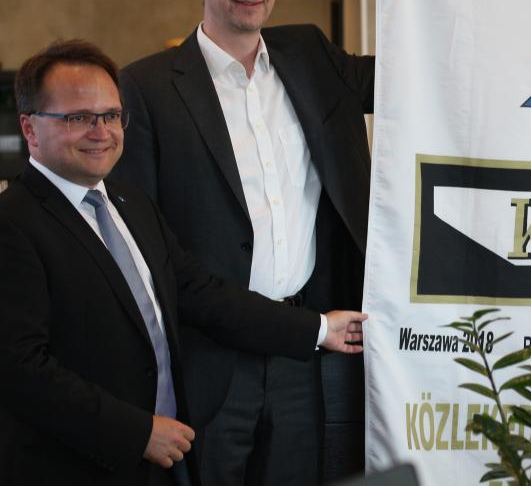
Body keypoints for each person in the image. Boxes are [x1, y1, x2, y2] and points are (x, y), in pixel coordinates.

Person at [109, 0, 412, 484]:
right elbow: (144, 245)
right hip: (208, 360)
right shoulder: (145, 88)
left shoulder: (312, 57)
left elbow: (409, 78)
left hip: (308, 356)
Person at [0, 40, 367, 486]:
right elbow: (19, 369)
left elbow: (199, 292)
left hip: (160, 463)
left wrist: (319, 329)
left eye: (111, 115)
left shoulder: (129, 205)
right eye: (78, 118)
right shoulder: (13, 222)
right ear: (30, 127)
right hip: (74, 466)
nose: (102, 131)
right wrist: (137, 433)